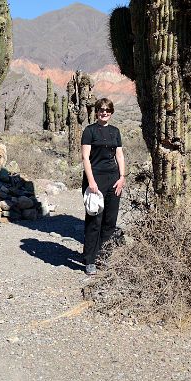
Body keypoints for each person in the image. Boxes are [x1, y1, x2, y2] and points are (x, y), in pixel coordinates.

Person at [81, 97, 125, 276]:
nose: (104, 112)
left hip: (113, 180)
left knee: (110, 221)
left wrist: (122, 177)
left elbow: (119, 155)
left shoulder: (115, 132)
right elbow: (85, 158)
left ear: (111, 112)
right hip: (95, 179)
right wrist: (91, 181)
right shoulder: (89, 131)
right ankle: (90, 260)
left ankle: (103, 256)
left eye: (107, 110)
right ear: (96, 112)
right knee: (94, 220)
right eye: (101, 109)